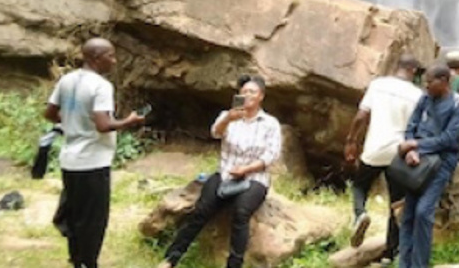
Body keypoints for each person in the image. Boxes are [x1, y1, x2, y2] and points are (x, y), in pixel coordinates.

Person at [158, 75, 283, 268]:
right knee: (201, 210)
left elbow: (271, 155)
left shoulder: (270, 123)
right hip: (225, 174)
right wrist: (228, 119)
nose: (248, 95)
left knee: (241, 213)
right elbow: (215, 133)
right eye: (245, 91)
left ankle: (234, 264)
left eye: (253, 92)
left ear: (261, 97)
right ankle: (171, 258)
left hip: (254, 178)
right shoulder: (228, 115)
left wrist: (246, 169)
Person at [45, 38, 144, 268]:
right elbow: (103, 125)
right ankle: (89, 263)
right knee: (93, 220)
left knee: (75, 214)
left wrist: (72, 122)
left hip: (70, 160)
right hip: (93, 162)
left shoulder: (67, 80)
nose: (114, 60)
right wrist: (128, 121)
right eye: (110, 56)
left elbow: (50, 113)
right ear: (96, 58)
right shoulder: (101, 86)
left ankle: (76, 259)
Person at [344, 55, 425, 258]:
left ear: (397, 67)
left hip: (375, 147)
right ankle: (391, 252)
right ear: (413, 71)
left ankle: (360, 214)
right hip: (399, 151)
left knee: (360, 185)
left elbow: (361, 116)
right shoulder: (417, 95)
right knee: (396, 202)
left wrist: (352, 141)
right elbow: (420, 129)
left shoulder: (378, 85)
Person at [396, 64, 459, 268]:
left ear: (444, 82)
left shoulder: (457, 104)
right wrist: (409, 150)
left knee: (423, 212)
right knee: (408, 213)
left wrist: (417, 145)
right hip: (418, 161)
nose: (426, 85)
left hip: (442, 162)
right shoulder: (425, 99)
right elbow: (411, 127)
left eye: (430, 82)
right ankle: (404, 264)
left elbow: (449, 139)